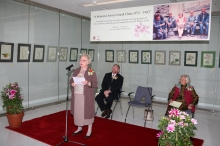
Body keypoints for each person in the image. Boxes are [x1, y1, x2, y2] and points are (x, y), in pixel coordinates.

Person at [70, 54, 97, 138]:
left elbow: (95, 84)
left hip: (86, 96)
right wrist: (72, 83)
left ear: (88, 62)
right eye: (80, 60)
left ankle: (89, 129)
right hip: (77, 95)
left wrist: (88, 83)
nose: (81, 62)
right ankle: (79, 128)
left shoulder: (91, 71)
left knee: (87, 112)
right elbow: (71, 80)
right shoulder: (76, 70)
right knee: (78, 113)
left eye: (84, 60)